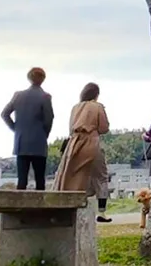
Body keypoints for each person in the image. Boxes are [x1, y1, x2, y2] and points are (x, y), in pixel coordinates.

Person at [53, 82, 111, 222]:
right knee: (100, 176)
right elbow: (104, 128)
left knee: (74, 174)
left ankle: (69, 206)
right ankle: (101, 212)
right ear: (96, 94)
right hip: (91, 141)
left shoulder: (75, 108)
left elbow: (70, 128)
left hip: (75, 143)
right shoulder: (97, 106)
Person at [1, 67, 54, 191]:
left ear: (29, 78)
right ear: (43, 79)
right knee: (40, 181)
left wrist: (16, 129)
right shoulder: (45, 97)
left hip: (21, 142)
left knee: (22, 180)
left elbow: (5, 114)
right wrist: (44, 134)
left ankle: (20, 208)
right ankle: (40, 209)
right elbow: (49, 119)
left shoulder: (18, 95)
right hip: (39, 141)